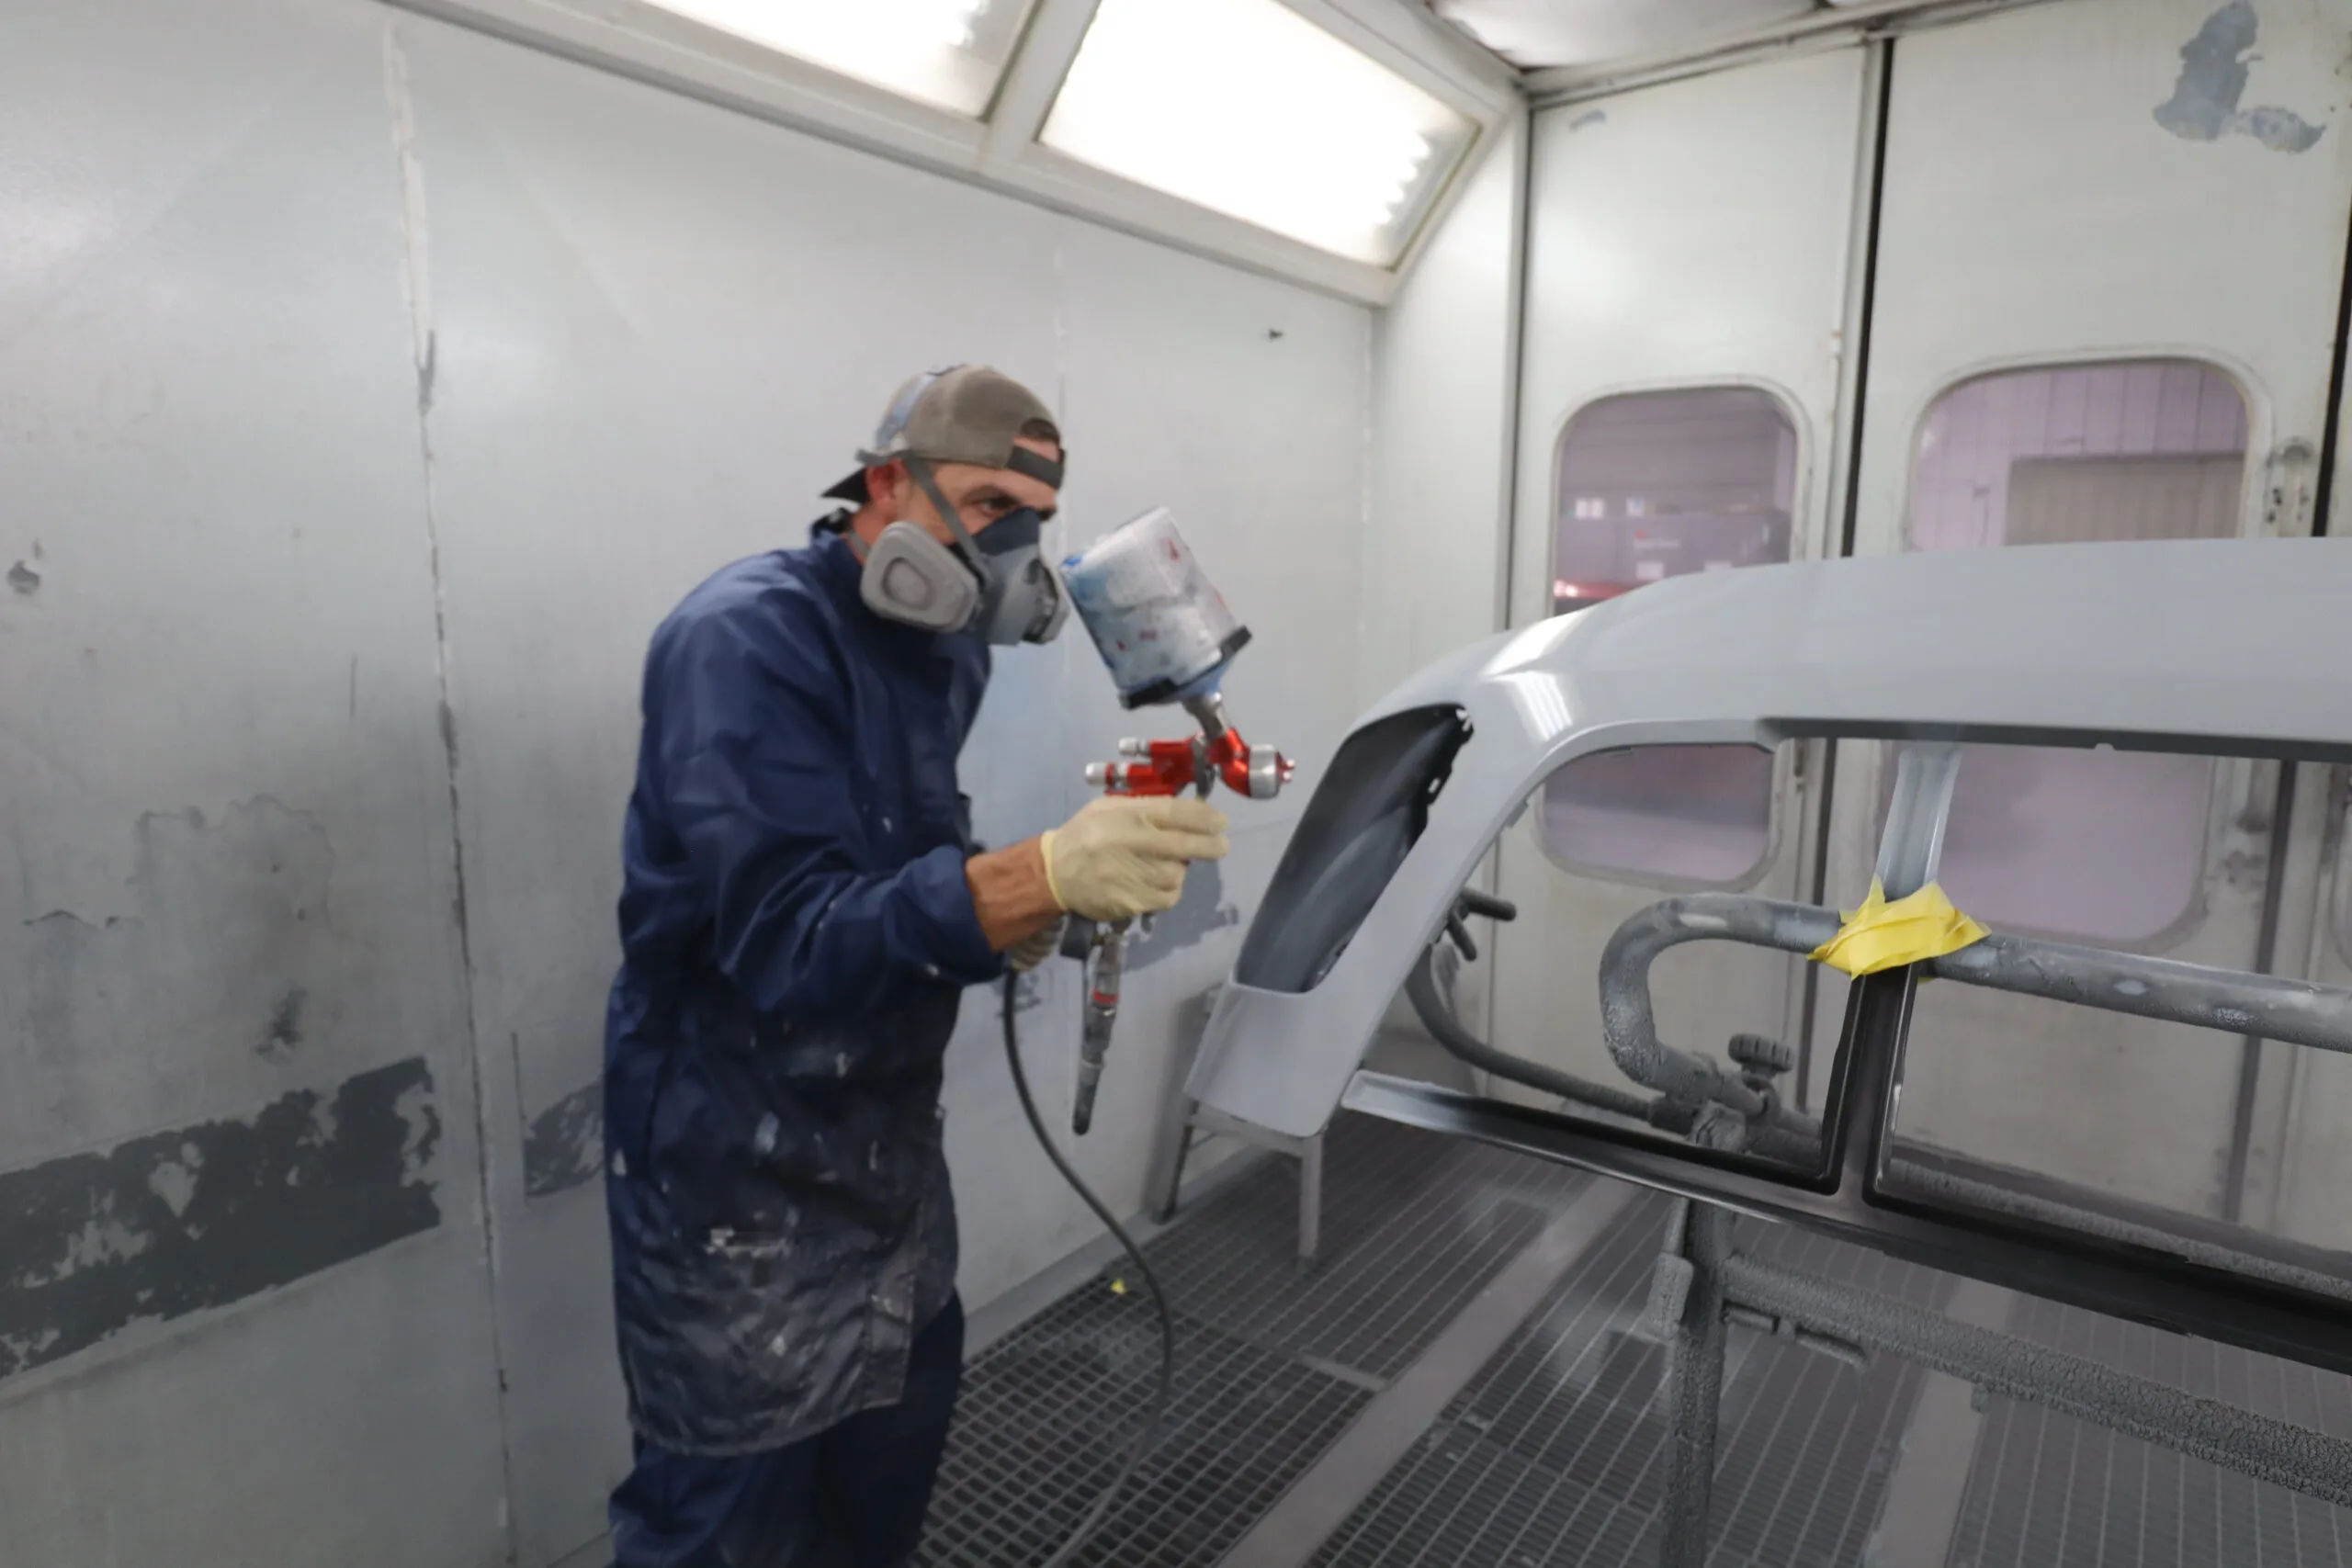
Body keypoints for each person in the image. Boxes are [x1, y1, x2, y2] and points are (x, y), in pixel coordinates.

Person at [600, 366, 1229, 1567]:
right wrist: (1033, 877)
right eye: (993, 503)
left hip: (890, 1181)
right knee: (724, 1538)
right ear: (887, 482)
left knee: (872, 1521)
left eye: (1035, 514)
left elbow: (894, 870)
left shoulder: (948, 654)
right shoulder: (742, 639)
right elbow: (782, 939)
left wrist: (1014, 913)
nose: (1019, 541)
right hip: (737, 1191)